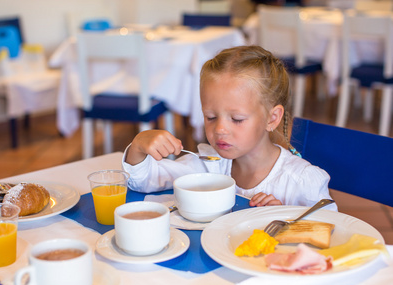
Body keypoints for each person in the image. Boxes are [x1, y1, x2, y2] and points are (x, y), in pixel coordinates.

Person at [122, 45, 336, 210]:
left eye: (237, 119)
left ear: (272, 118)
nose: (220, 129)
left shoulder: (302, 182)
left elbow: (328, 233)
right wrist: (139, 147)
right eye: (211, 117)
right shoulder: (208, 164)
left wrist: (282, 219)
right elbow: (143, 182)